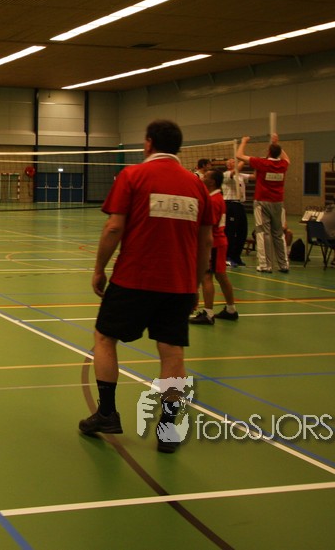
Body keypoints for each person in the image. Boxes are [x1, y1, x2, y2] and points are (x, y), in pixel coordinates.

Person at [79, 120, 214, 454]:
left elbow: (114, 227)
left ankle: (107, 413)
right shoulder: (197, 186)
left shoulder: (133, 175)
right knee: (172, 351)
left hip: (134, 278)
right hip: (179, 284)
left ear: (149, 143)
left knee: (105, 338)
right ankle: (168, 428)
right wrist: (194, 284)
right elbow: (206, 241)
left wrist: (98, 269)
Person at [190, 169, 239, 324]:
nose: (202, 177)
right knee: (221, 276)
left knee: (207, 276)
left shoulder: (213, 201)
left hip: (214, 244)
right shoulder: (217, 198)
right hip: (219, 242)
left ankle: (208, 313)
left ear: (212, 182)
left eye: (205, 176)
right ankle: (231, 309)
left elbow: (208, 226)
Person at [237, 133, 290, 273]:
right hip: (278, 203)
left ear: (268, 152)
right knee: (278, 234)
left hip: (262, 202)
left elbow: (239, 155)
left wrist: (244, 141)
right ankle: (284, 264)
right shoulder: (283, 165)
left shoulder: (262, 163)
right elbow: (287, 158)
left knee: (263, 232)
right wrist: (276, 143)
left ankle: (265, 265)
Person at [222, 157, 250, 266]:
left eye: (235, 161)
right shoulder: (226, 174)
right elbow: (236, 169)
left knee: (242, 231)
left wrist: (259, 165)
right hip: (230, 204)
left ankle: (236, 256)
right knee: (230, 232)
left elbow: (255, 177)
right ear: (228, 165)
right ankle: (227, 256)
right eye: (232, 161)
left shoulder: (240, 175)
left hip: (240, 205)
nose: (235, 162)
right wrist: (244, 159)